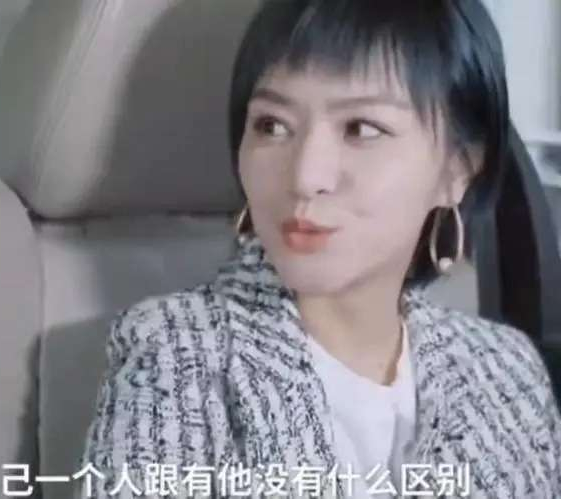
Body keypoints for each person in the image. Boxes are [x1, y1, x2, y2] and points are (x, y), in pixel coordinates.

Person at [81, 1, 561, 497]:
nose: (306, 176)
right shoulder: (175, 354)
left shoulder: (507, 371)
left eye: (362, 129)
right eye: (272, 125)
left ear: (457, 170)